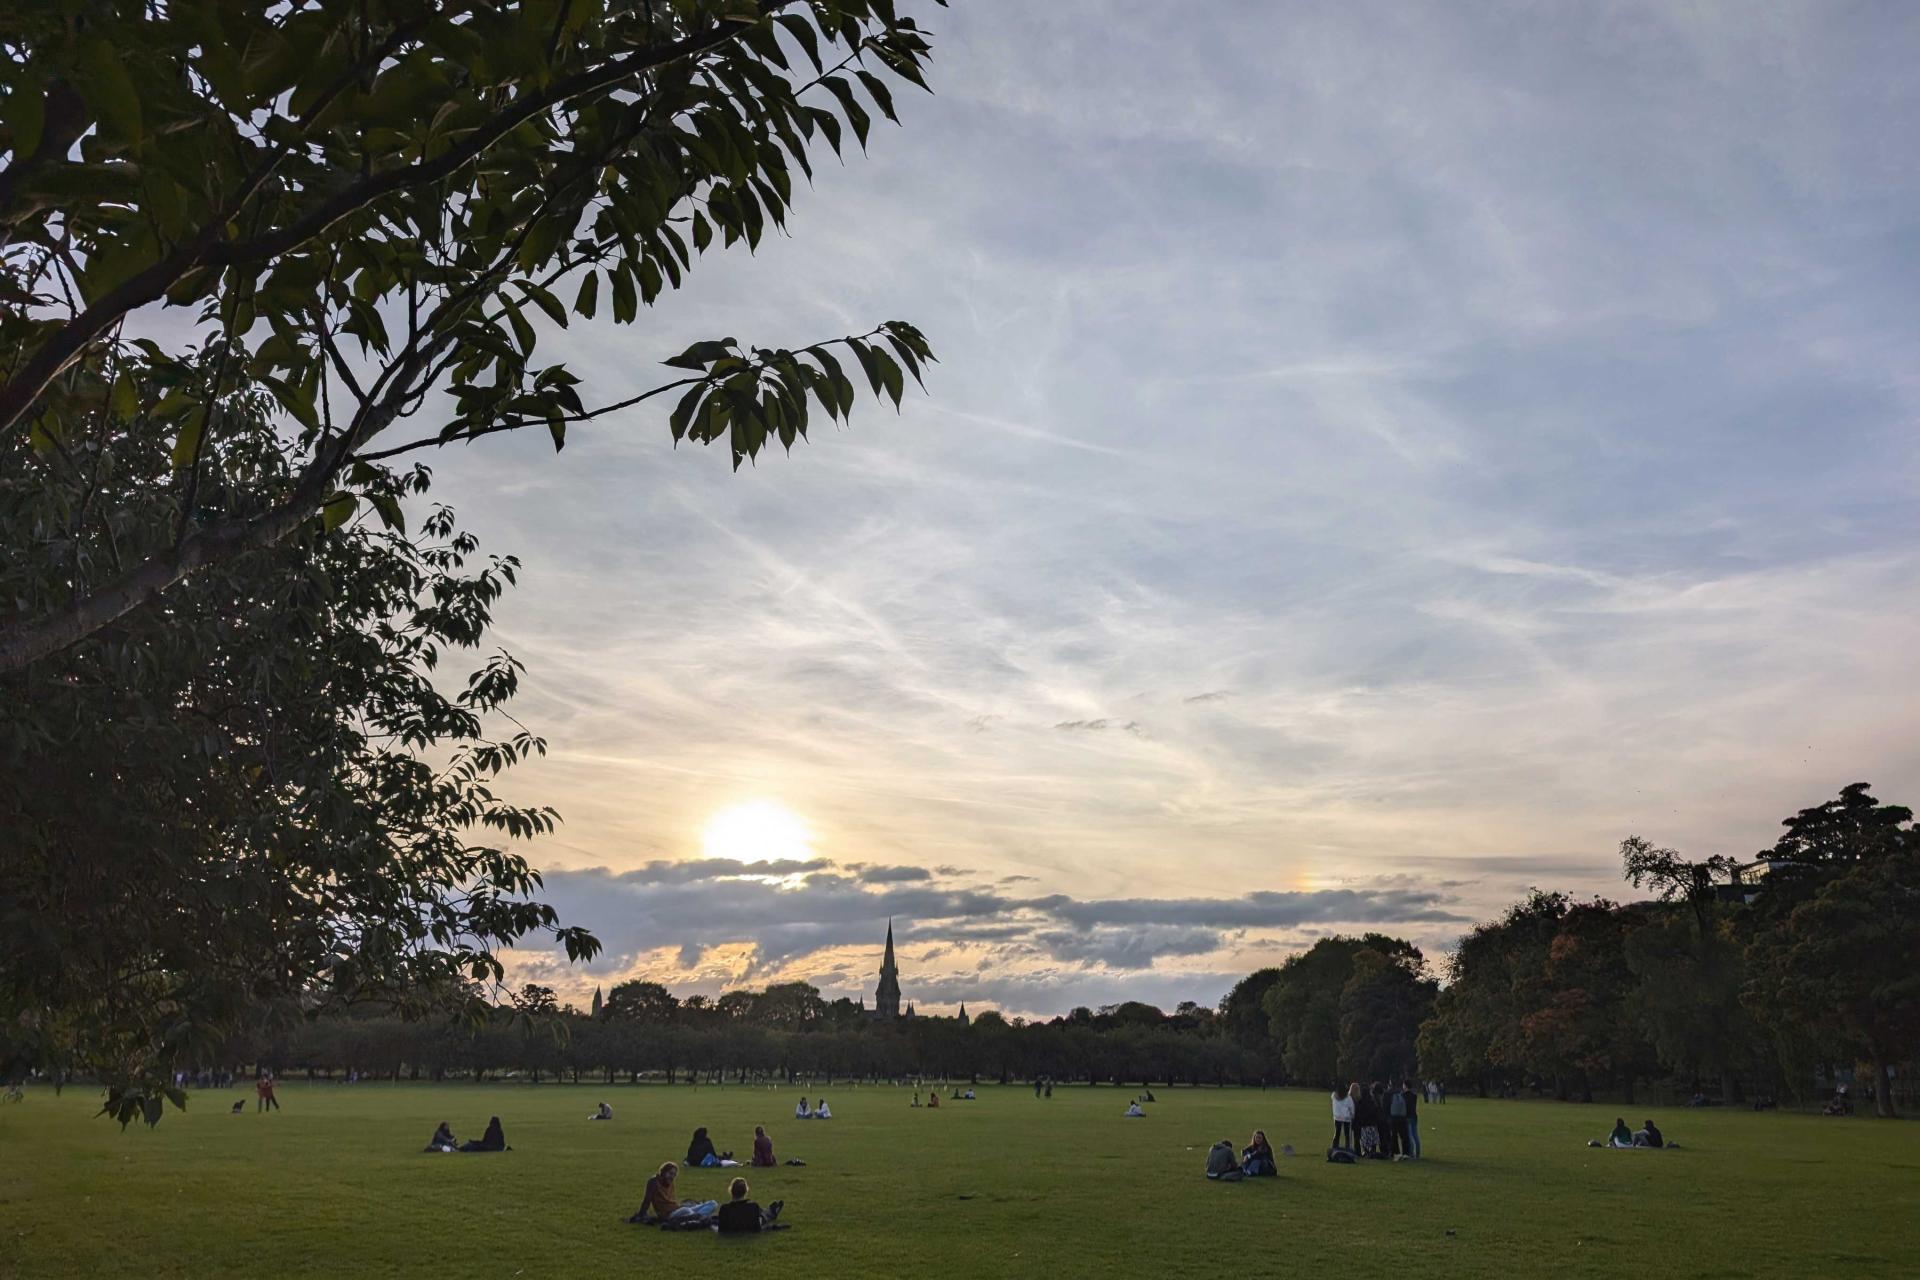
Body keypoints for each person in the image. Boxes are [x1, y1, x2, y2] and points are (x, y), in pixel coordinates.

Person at [632, 1161, 719, 1225]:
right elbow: (647, 1201)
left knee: (713, 1203)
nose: (672, 1177)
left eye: (674, 1175)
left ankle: (697, 1217)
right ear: (663, 1172)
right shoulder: (653, 1182)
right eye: (670, 1173)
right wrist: (641, 1214)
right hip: (669, 1215)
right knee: (687, 1210)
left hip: (678, 1209)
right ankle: (698, 1217)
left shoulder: (670, 1182)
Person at [1354, 1084, 1382, 1159]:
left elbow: (1358, 1113)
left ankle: (1366, 1151)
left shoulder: (1360, 1102)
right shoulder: (1372, 1101)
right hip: (1372, 1124)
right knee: (1373, 1139)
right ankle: (1373, 1151)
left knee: (1364, 1140)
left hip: (1364, 1124)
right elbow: (1376, 1112)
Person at [1400, 1079, 1421, 1158]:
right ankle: (1418, 1153)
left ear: (1405, 1085)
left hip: (1407, 1117)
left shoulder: (1403, 1095)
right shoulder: (1414, 1095)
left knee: (1409, 1137)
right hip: (1414, 1116)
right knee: (1416, 1135)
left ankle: (1411, 1153)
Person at [1332, 1085, 1355, 1152]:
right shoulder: (1348, 1097)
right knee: (1347, 1135)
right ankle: (1347, 1148)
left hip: (1337, 1117)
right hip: (1346, 1118)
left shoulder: (1334, 1096)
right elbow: (1351, 1108)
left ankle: (1334, 1147)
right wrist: (1352, 1115)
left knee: (1337, 1133)